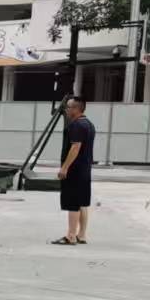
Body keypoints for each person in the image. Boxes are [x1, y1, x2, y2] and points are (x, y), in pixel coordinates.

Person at [51, 96, 95, 246]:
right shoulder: (89, 124)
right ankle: (81, 235)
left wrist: (64, 168)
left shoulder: (76, 125)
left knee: (73, 203)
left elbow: (75, 147)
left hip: (74, 170)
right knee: (82, 202)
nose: (66, 110)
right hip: (85, 169)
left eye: (68, 107)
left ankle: (71, 236)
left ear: (76, 109)